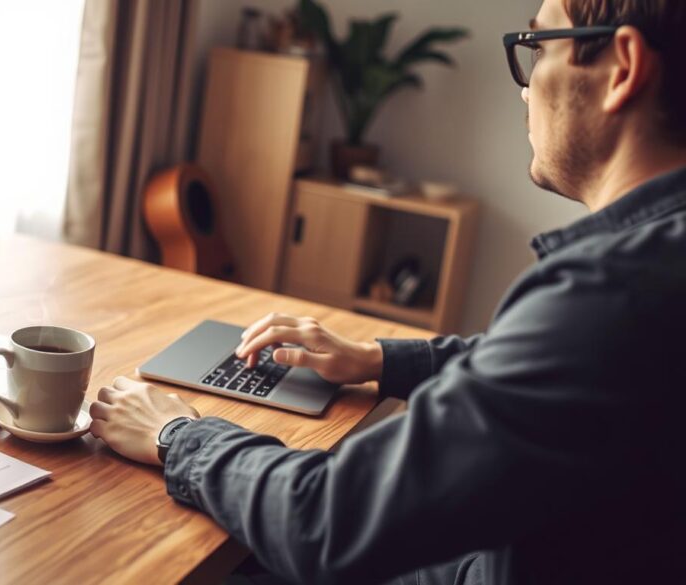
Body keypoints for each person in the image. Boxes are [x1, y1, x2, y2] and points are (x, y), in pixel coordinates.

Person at [88, 0, 686, 583]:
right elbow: (548, 369)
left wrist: (178, 435)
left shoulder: (609, 298)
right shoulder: (650, 269)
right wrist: (375, 359)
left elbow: (325, 523)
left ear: (623, 69)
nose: (526, 89)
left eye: (537, 47)